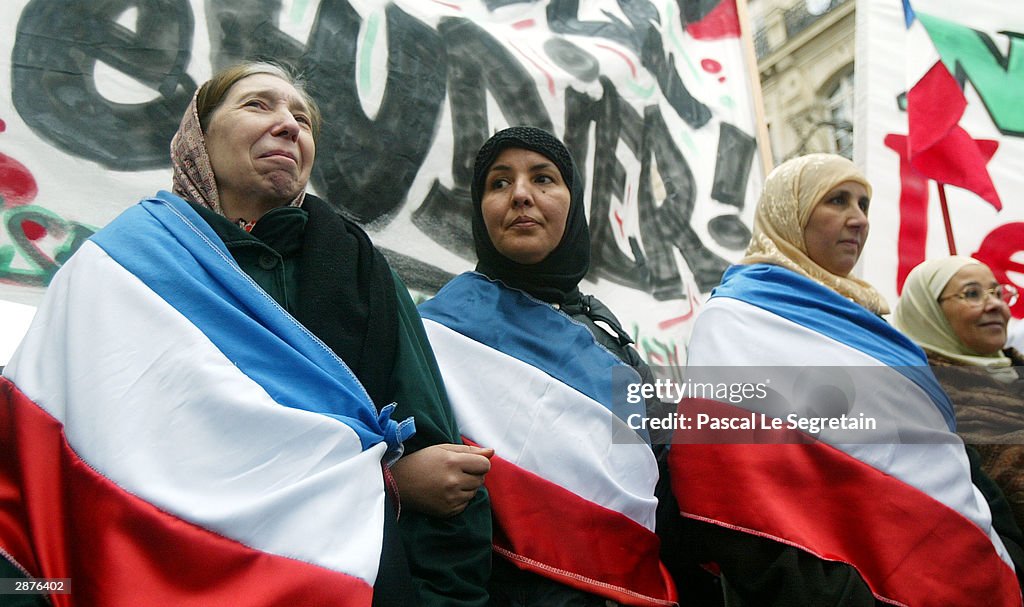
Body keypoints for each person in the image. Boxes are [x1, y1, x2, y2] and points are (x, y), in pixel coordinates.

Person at [0, 61, 491, 606]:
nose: (288, 125)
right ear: (197, 137)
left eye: (301, 118)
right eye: (257, 104)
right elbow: (32, 460)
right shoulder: (116, 269)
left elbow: (448, 476)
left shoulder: (363, 277)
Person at [667, 154, 1022, 605]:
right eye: (837, 201)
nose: (858, 220)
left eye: (864, 204)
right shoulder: (738, 319)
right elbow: (726, 486)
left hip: (963, 577)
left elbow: (945, 455)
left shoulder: (872, 321)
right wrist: (845, 599)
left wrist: (1007, 551)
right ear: (789, 213)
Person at [417, 126, 677, 606]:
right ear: (480, 210)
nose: (520, 196)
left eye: (543, 178)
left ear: (572, 204)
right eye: (499, 183)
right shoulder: (434, 331)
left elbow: (667, 462)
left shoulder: (609, 337)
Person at [893, 257, 1024, 535]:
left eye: (998, 292)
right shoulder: (923, 393)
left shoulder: (1016, 371)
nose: (995, 305)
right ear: (927, 312)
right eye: (972, 294)